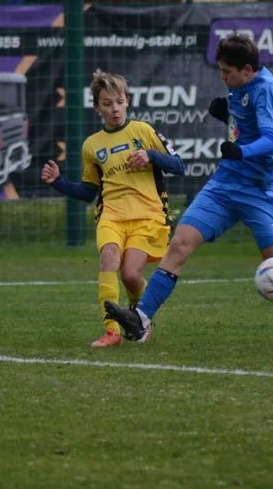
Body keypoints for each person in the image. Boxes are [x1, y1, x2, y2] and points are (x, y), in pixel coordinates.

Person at [104, 34, 273, 343]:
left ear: (246, 69)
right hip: (224, 184)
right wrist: (229, 118)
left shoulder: (266, 90)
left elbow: (270, 139)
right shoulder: (240, 85)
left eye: (226, 72)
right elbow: (244, 126)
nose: (222, 77)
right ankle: (141, 320)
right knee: (180, 244)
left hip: (257, 189)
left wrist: (241, 151)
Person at [42, 69, 186, 347]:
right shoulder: (91, 146)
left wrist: (150, 155)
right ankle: (112, 332)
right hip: (112, 216)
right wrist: (58, 181)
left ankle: (141, 317)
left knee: (131, 276)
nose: (115, 109)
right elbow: (87, 192)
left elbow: (179, 165)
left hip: (148, 216)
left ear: (127, 101)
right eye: (107, 104)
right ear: (97, 107)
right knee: (108, 258)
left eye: (119, 101)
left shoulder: (143, 132)